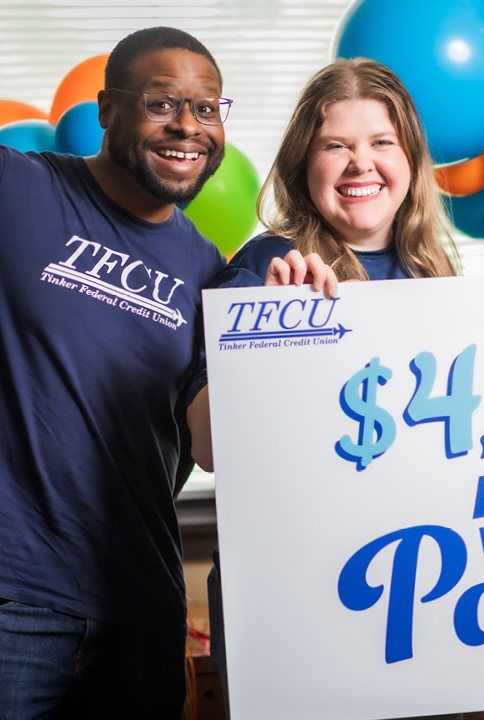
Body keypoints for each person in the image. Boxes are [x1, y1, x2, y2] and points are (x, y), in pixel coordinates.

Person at [185, 56, 459, 718]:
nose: (361, 164)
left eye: (380, 144)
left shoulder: (436, 279)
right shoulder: (265, 267)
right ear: (305, 165)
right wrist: (275, 343)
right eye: (336, 146)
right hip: (295, 599)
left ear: (411, 160)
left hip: (421, 589)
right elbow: (209, 446)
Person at [0, 26, 228, 718]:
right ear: (106, 111)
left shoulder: (210, 272)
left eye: (208, 107)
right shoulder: (18, 188)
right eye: (162, 104)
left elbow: (215, 444)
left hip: (142, 616)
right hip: (14, 602)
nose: (187, 126)